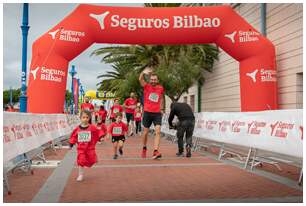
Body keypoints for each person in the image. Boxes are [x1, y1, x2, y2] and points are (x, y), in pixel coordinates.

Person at [139, 67, 165, 159]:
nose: (153, 81)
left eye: (155, 79)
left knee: (158, 131)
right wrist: (143, 72)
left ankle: (155, 151)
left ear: (157, 80)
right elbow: (140, 79)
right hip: (147, 112)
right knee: (145, 132)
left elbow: (161, 98)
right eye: (152, 79)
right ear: (150, 80)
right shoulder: (147, 86)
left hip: (157, 113)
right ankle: (144, 147)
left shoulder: (160, 88)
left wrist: (162, 109)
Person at [69, 110, 100, 181]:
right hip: (81, 148)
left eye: (87, 117)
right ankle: (80, 175)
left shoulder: (92, 127)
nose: (85, 119)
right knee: (81, 160)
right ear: (80, 118)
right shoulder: (77, 128)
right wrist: (71, 143)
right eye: (83, 117)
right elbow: (73, 136)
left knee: (92, 159)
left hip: (90, 148)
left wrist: (100, 138)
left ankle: (94, 157)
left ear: (89, 118)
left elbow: (97, 133)